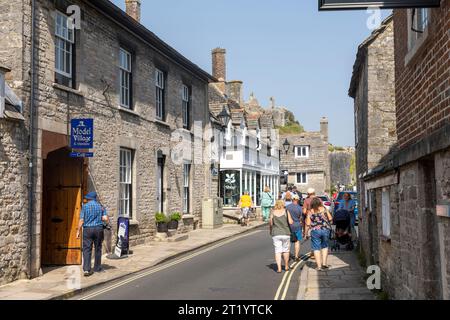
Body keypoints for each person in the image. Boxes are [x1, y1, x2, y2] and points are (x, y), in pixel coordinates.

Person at [76, 192, 109, 277]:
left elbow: (81, 220)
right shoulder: (101, 207)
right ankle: (97, 268)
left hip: (87, 230)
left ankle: (87, 269)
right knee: (98, 248)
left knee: (87, 249)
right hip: (98, 229)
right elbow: (105, 219)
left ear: (89, 198)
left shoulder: (85, 207)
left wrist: (78, 231)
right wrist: (100, 219)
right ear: (95, 198)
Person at [305, 198, 333, 271]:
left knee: (316, 248)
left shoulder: (310, 211)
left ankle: (319, 266)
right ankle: (324, 264)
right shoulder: (324, 209)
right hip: (325, 230)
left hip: (315, 231)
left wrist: (306, 233)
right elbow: (330, 218)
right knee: (325, 246)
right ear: (320, 203)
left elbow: (308, 224)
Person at [270, 200, 293, 273]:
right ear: (283, 204)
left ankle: (279, 268)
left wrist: (270, 231)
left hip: (276, 233)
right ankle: (286, 266)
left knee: (278, 251)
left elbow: (271, 223)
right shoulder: (286, 211)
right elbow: (290, 222)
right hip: (286, 233)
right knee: (286, 250)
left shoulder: (273, 212)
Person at [286, 194, 303, 261]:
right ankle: (296, 256)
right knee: (297, 241)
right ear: (298, 200)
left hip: (289, 226)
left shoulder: (287, 207)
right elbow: (301, 218)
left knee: (288, 242)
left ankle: (288, 255)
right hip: (297, 225)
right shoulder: (299, 208)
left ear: (292, 199)